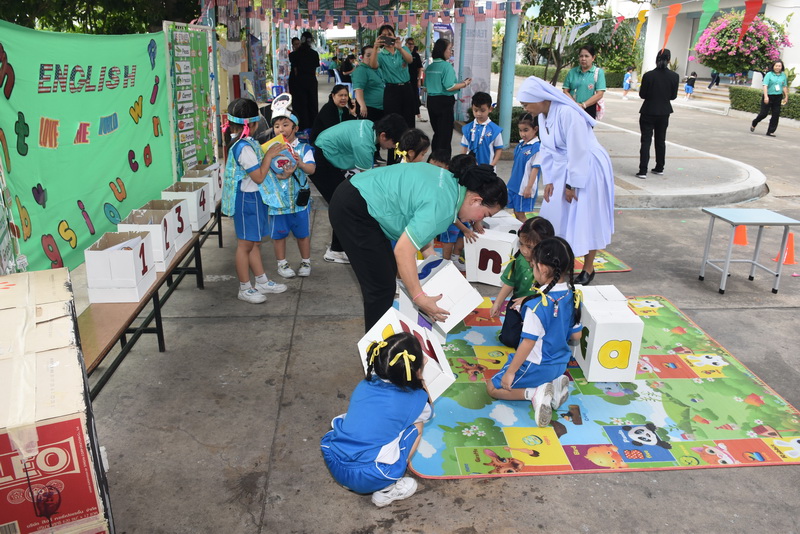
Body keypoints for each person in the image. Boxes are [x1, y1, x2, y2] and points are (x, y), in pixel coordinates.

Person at [329, 162, 507, 330]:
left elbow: (421, 216)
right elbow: (403, 251)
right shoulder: (443, 208)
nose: (478, 220)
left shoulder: (450, 183)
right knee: (381, 288)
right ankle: (378, 349)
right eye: (485, 214)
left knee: (387, 273)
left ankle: (383, 341)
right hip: (355, 209)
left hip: (358, 191)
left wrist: (432, 257)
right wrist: (419, 297)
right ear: (475, 200)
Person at [516, 76, 615, 287]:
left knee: (585, 216)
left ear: (539, 98)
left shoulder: (568, 113)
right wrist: (550, 180)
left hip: (587, 167)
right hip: (562, 167)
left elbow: (578, 150)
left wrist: (571, 185)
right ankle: (559, 263)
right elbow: (546, 150)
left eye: (526, 104)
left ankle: (588, 267)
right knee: (555, 215)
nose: (526, 109)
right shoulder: (542, 117)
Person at [321, 332, 432, 507]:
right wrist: (420, 378)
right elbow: (428, 411)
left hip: (335, 461)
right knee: (417, 425)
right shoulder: (414, 399)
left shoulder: (365, 383)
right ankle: (387, 489)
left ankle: (355, 482)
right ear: (414, 368)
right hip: (369, 475)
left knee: (366, 418)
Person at [485, 237, 583, 427]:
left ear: (542, 268)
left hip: (537, 366)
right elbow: (576, 336)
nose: (531, 269)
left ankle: (535, 393)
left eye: (533, 266)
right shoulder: (573, 295)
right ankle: (553, 387)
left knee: (492, 388)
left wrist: (510, 373)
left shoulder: (536, 305)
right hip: (561, 364)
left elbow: (528, 343)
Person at [313, 114, 408, 264]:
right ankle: (336, 251)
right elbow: (367, 181)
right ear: (383, 136)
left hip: (329, 151)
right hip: (323, 159)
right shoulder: (363, 144)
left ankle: (338, 247)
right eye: (394, 143)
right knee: (342, 205)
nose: (393, 147)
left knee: (344, 203)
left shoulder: (369, 126)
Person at [221, 98, 288, 304]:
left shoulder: (246, 142)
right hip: (246, 201)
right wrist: (269, 156)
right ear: (253, 123)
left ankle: (261, 281)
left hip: (254, 198)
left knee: (254, 242)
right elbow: (258, 177)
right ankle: (244, 287)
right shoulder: (243, 148)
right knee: (245, 245)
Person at [264, 111, 315, 279]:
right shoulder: (269, 150)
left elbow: (312, 169)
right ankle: (282, 264)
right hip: (278, 202)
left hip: (299, 202)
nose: (281, 129)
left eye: (285, 125)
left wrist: (301, 163)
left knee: (303, 234)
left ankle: (306, 262)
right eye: (277, 126)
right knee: (279, 235)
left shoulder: (304, 148)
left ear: (296, 128)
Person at [490, 217, 555, 349]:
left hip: (541, 307)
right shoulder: (518, 259)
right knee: (509, 340)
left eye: (529, 247)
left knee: (539, 342)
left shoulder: (550, 264)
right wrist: (498, 303)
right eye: (521, 243)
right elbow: (510, 282)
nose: (524, 250)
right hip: (517, 304)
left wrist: (528, 299)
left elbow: (552, 293)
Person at [424, 38, 471, 157]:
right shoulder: (446, 66)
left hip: (431, 101)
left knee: (437, 133)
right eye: (449, 49)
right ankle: (443, 161)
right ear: (442, 50)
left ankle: (434, 158)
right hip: (444, 102)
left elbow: (425, 87)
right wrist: (464, 83)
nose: (451, 52)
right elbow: (450, 86)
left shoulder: (430, 67)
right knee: (445, 135)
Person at [636, 48, 679, 179]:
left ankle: (643, 170)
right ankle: (659, 167)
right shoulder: (674, 76)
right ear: (669, 60)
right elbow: (673, 96)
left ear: (656, 59)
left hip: (648, 111)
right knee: (661, 140)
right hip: (664, 112)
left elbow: (642, 94)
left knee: (646, 141)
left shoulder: (648, 75)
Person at [437, 154, 483, 272]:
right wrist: (465, 229)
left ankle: (455, 258)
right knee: (449, 240)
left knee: (462, 237)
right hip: (450, 219)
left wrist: (476, 221)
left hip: (462, 217)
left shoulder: (468, 185)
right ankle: (445, 263)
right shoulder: (452, 187)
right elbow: (451, 215)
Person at [367, 25, 416, 129]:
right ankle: (394, 140)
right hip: (391, 90)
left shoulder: (403, 49)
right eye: (384, 35)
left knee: (409, 118)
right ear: (380, 38)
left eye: (389, 34)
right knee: (392, 121)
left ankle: (410, 139)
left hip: (406, 88)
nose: (387, 37)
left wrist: (400, 48)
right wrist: (375, 47)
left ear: (394, 36)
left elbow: (410, 60)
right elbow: (373, 65)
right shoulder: (380, 54)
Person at [506, 113, 541, 222]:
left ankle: (530, 232)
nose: (522, 134)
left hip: (524, 188)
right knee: (516, 213)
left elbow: (535, 169)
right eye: (520, 130)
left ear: (535, 129)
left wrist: (529, 188)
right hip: (514, 186)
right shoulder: (520, 145)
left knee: (521, 215)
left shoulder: (537, 147)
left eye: (526, 130)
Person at [460, 92, 503, 168]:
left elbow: (498, 149)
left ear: (490, 109)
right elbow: (464, 147)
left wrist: (492, 165)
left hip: (487, 168)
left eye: (482, 110)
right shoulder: (467, 128)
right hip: (470, 168)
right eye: (475, 110)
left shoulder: (495, 130)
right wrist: (462, 164)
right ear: (472, 108)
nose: (479, 114)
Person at [562, 45, 606, 119]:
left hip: (589, 109)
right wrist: (574, 104)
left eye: (586, 56)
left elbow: (600, 94)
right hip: (571, 107)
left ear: (593, 58)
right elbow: (565, 91)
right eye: (581, 56)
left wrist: (583, 105)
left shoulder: (598, 72)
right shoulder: (572, 72)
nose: (583, 59)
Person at [289, 31, 320, 130]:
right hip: (311, 81)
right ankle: (313, 127)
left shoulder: (294, 55)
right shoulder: (314, 54)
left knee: (300, 106)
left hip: (298, 83)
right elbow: (315, 67)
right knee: (312, 105)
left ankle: (301, 127)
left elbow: (295, 70)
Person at [750, 60, 789, 137]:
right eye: (776, 66)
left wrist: (786, 96)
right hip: (769, 96)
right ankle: (755, 122)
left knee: (776, 114)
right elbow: (765, 86)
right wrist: (766, 96)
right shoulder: (769, 74)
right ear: (773, 66)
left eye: (779, 66)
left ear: (782, 67)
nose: (778, 67)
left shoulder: (783, 75)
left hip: (778, 97)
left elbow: (784, 86)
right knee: (763, 114)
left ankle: (770, 131)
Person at [353, 45, 386, 123]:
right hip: (369, 108)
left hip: (380, 108)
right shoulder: (361, 70)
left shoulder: (377, 69)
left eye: (374, 55)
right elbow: (358, 90)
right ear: (362, 57)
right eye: (368, 55)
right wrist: (362, 105)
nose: (371, 57)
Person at [405, 37, 424, 123]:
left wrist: (419, 79)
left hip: (413, 79)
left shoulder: (416, 55)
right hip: (404, 80)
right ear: (406, 44)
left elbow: (420, 68)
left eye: (412, 44)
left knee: (415, 97)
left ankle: (418, 114)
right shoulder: (402, 54)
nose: (411, 46)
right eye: (409, 44)